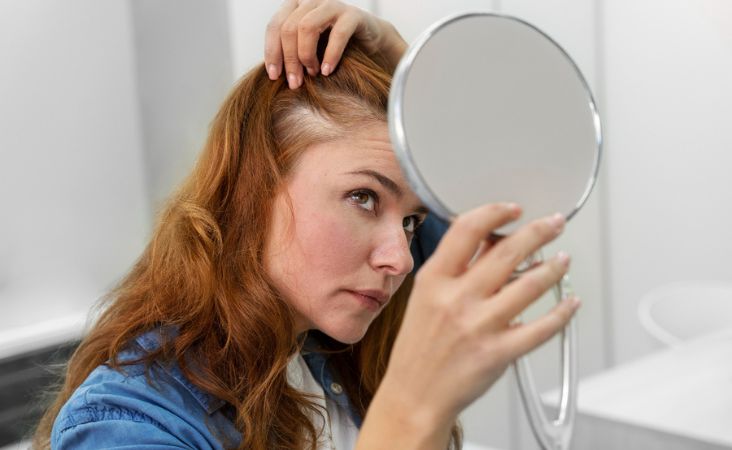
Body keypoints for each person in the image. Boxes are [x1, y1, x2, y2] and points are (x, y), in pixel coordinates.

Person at [33, 1, 580, 449]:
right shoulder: (130, 423)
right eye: (363, 197)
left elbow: (505, 190)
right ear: (253, 191)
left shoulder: (327, 349)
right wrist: (409, 417)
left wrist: (410, 65)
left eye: (412, 221)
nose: (403, 258)